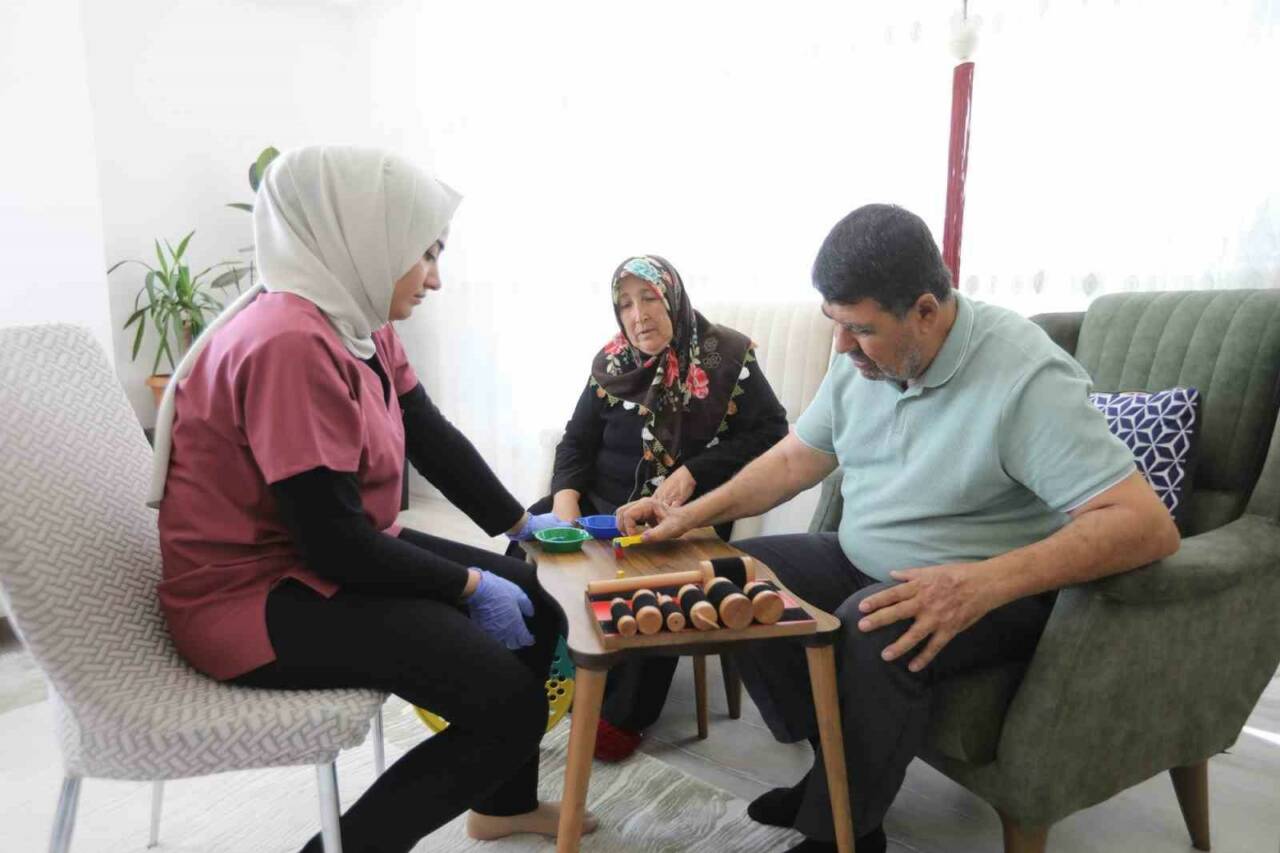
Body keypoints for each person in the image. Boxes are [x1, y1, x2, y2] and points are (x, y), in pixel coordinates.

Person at [616, 204, 1181, 853]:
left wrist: (977, 584)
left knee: (872, 627)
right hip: (865, 557)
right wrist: (691, 515)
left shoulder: (1025, 377)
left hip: (996, 590)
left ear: (926, 312)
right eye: (834, 323)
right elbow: (797, 458)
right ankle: (837, 779)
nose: (841, 347)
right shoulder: (861, 357)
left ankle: (845, 833)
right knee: (735, 574)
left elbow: (1145, 525)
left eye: (861, 329)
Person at [150, 146, 594, 853]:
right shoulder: (287, 343)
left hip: (326, 550)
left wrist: (521, 525)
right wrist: (468, 583)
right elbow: (334, 545)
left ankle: (501, 806)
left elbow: (428, 433)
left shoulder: (356, 320)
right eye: (425, 254)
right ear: (364, 235)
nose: (436, 278)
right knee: (506, 705)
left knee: (540, 604)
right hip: (251, 597)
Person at [517, 254, 788, 761]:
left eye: (648, 298)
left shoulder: (728, 357)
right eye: (624, 304)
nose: (637, 315)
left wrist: (696, 470)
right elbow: (576, 441)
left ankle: (622, 713)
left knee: (654, 577)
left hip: (681, 513)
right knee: (528, 541)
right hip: (599, 503)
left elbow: (772, 433)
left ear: (673, 298)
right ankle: (535, 668)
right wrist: (566, 501)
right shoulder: (612, 363)